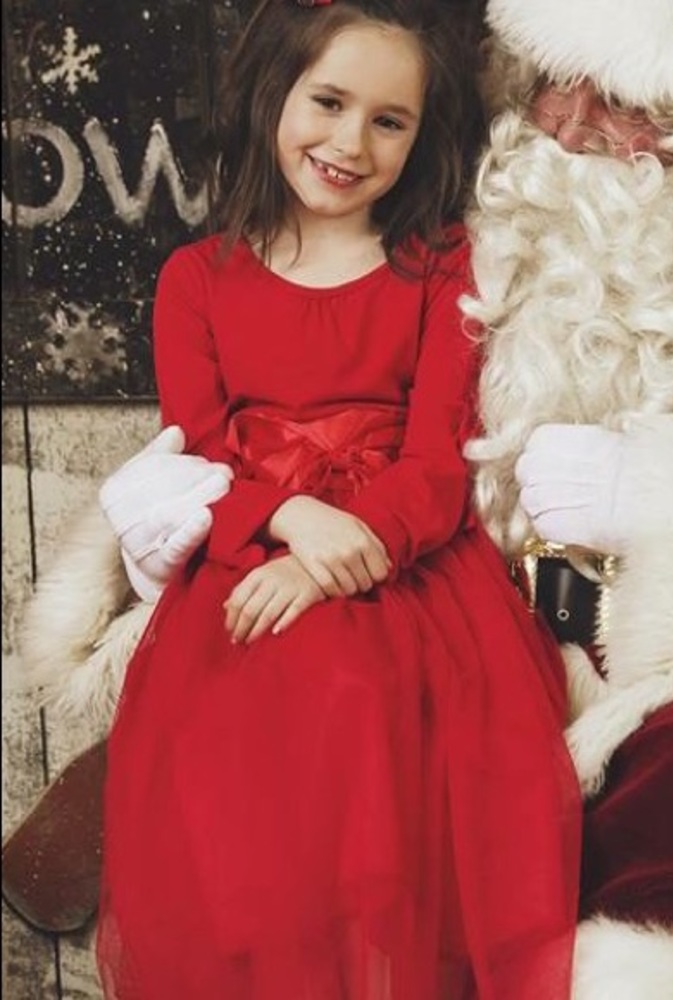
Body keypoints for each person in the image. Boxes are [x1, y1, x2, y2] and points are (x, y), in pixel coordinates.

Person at [8, 0, 673, 997]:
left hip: (654, 691)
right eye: (545, 83)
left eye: (618, 100)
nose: (566, 125)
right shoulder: (448, 243)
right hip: (418, 636)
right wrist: (161, 537)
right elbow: (297, 430)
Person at [74, 1, 581, 997]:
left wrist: (339, 551)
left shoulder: (440, 268)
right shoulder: (197, 278)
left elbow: (438, 460)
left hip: (406, 562)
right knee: (242, 756)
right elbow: (199, 451)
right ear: (275, 96)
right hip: (253, 553)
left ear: (418, 136)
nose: (350, 141)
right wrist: (288, 523)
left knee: (360, 701)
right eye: (330, 102)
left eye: (388, 120)